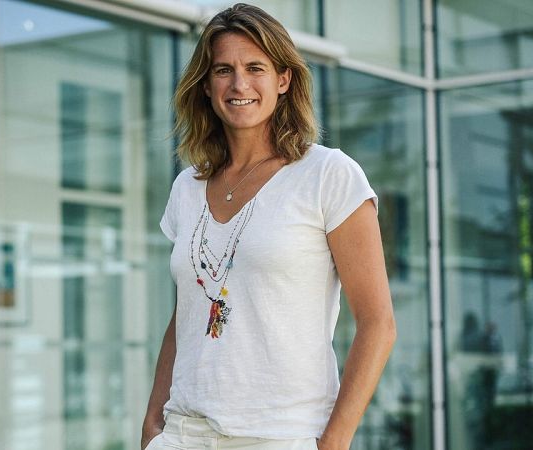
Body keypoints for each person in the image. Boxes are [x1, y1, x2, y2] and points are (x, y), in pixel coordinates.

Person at [141, 4, 396, 450]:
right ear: (206, 85)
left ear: (283, 79)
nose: (239, 84)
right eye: (223, 70)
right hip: (182, 434)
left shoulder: (327, 175)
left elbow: (378, 324)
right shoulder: (187, 186)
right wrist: (152, 423)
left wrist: (334, 442)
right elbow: (186, 315)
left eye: (255, 68)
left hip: (279, 435)